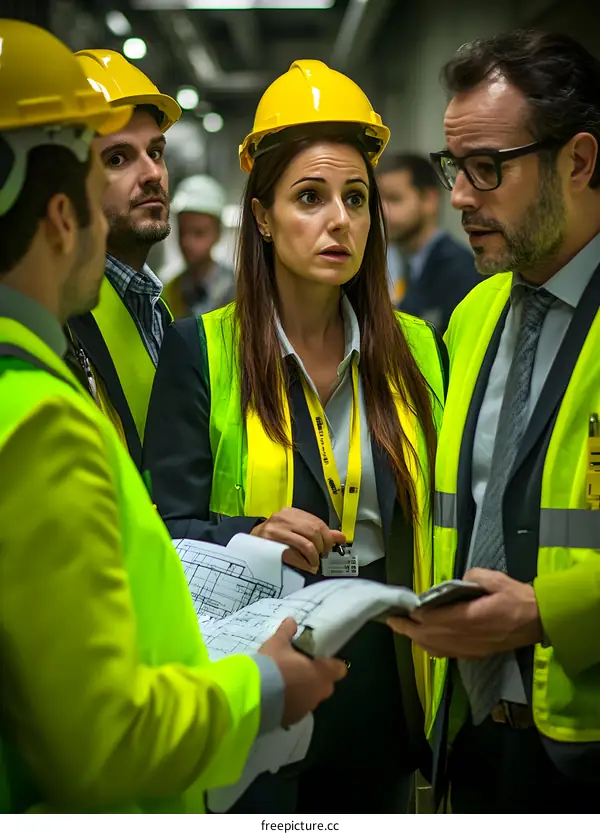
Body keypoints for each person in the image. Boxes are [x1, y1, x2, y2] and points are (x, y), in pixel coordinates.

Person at [0, 21, 346, 814]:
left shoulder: (153, 318)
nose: (142, 176)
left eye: (152, 151)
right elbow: (101, 738)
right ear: (60, 213)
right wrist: (262, 687)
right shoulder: (42, 411)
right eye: (106, 167)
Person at [143, 59, 447, 813]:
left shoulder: (417, 351)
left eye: (355, 198)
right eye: (309, 198)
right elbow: (159, 533)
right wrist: (249, 531)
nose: (338, 220)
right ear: (264, 216)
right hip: (261, 663)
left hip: (387, 669)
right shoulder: (200, 350)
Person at [390, 29, 600, 813]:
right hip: (469, 737)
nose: (460, 197)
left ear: (577, 162)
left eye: (487, 168)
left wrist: (548, 612)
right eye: (454, 167)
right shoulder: (475, 315)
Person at [65, 50, 181, 467]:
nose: (152, 174)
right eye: (118, 158)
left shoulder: (155, 309)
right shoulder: (58, 321)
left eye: (155, 152)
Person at [377, 152, 482, 332]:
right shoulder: (398, 264)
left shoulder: (459, 272)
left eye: (394, 199)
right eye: (379, 202)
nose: (383, 213)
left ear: (429, 200)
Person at [162, 174, 236, 318]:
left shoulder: (240, 291)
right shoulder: (168, 292)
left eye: (198, 233)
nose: (187, 242)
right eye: (182, 232)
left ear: (218, 233)